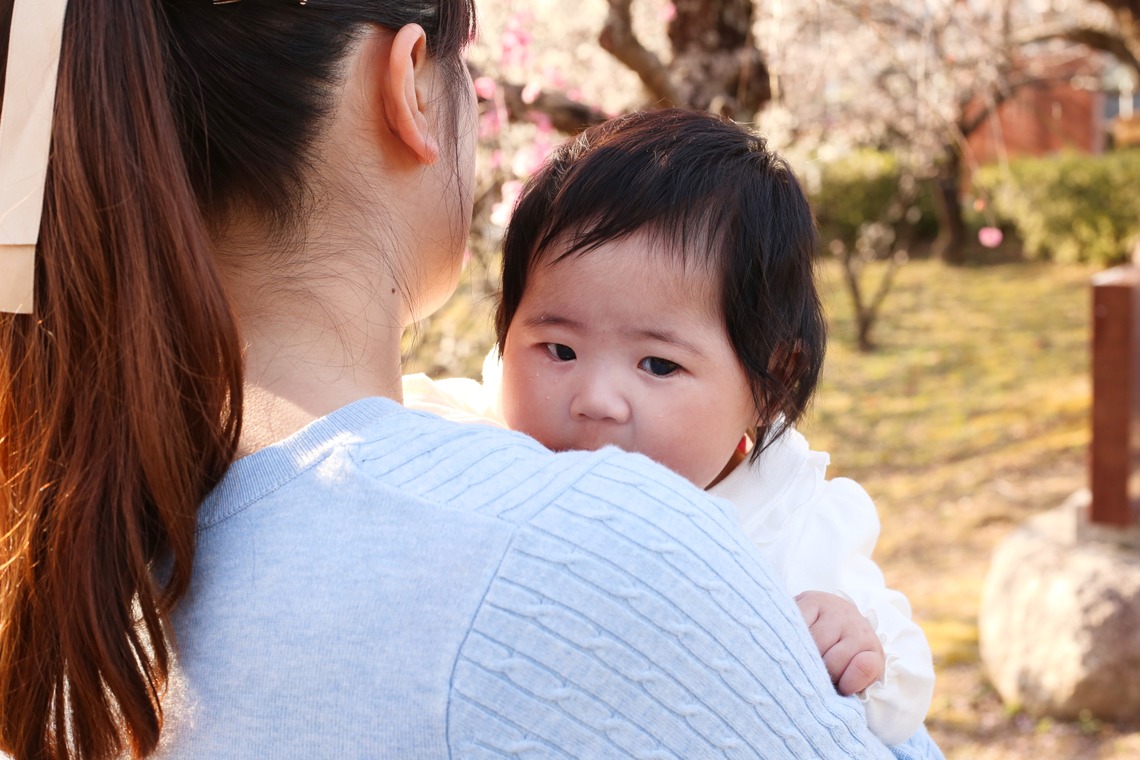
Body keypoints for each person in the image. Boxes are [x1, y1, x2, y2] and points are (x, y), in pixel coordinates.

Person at [0, 1, 944, 759]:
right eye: (470, 71)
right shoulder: (595, 550)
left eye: (657, 361)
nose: (600, 396)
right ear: (408, 80)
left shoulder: (62, 546)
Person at [404, 109, 936, 745]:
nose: (597, 400)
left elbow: (898, 698)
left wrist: (855, 648)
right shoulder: (469, 435)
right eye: (558, 350)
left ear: (772, 382)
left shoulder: (795, 528)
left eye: (658, 364)